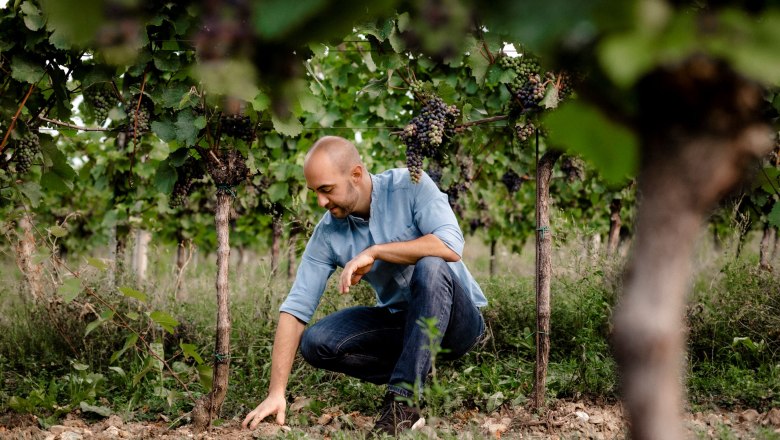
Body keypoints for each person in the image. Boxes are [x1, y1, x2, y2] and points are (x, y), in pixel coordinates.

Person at [242, 135, 487, 435]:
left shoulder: (410, 185)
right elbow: (296, 308)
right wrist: (275, 392)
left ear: (355, 175)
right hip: (402, 322)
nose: (320, 201)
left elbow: (450, 246)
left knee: (431, 264)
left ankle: (403, 403)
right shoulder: (328, 233)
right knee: (316, 342)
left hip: (456, 324)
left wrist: (376, 251)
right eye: (314, 192)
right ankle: (417, 369)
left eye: (326, 189)